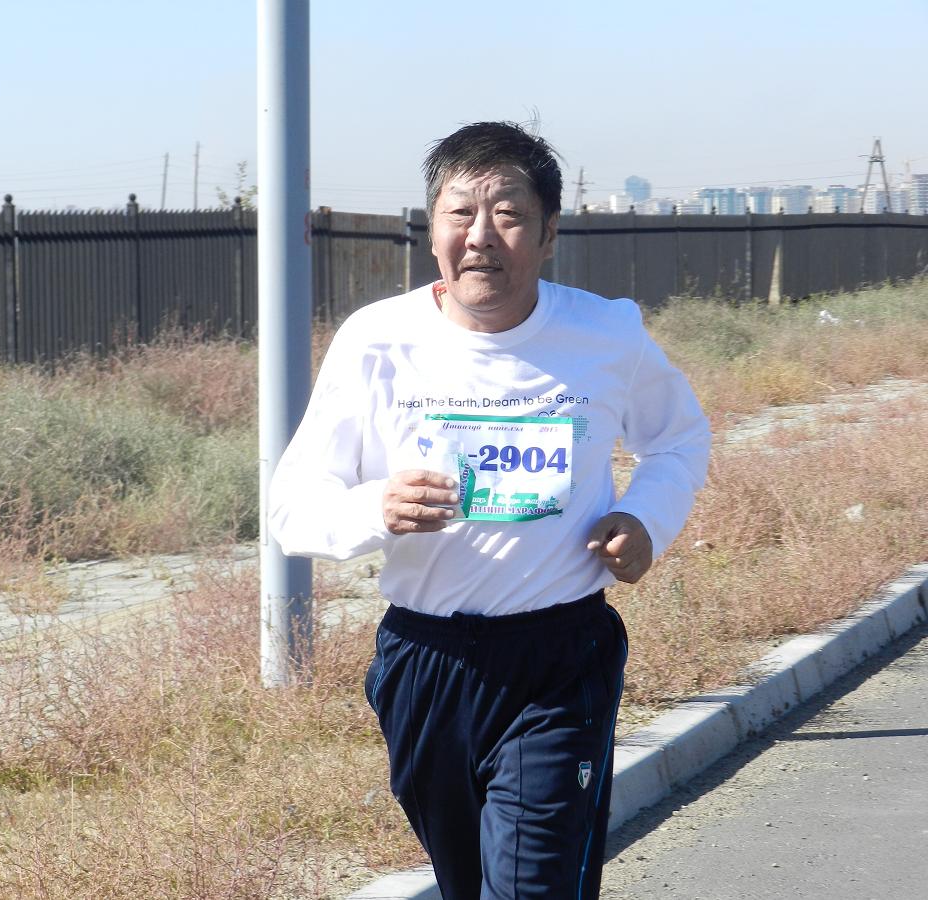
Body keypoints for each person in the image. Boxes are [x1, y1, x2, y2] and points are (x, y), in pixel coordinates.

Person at [268, 121, 710, 899]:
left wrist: (645, 518)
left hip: (559, 655)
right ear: (431, 227)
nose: (481, 236)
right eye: (460, 213)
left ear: (547, 234)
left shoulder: (605, 333)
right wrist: (377, 507)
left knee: (533, 884)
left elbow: (678, 439)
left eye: (508, 214)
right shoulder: (378, 341)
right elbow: (293, 509)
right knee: (467, 883)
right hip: (425, 660)